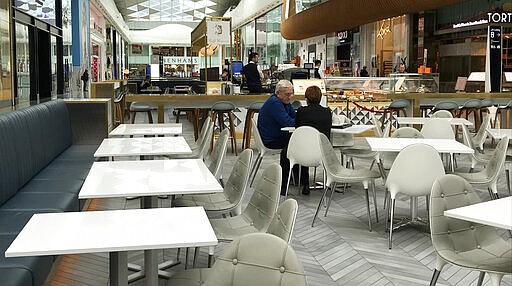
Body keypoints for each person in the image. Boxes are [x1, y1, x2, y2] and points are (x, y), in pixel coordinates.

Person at [257, 80, 296, 195]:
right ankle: (289, 180)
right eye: (287, 94)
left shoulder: (283, 101)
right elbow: (288, 122)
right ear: (278, 93)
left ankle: (294, 178)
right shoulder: (275, 103)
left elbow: (293, 117)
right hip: (271, 139)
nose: (290, 97)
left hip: (278, 135)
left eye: (291, 94)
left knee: (296, 142)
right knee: (296, 144)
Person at [294, 85, 332, 194]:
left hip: (304, 150)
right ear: (320, 98)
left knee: (301, 146)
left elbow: (297, 128)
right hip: (322, 151)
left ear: (306, 99)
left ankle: (303, 182)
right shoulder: (327, 112)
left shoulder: (301, 111)